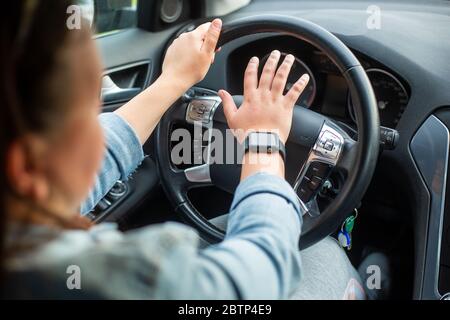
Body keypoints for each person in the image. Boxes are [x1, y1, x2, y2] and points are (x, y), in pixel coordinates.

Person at [1, 1, 365, 299]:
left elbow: (85, 169)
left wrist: (174, 80)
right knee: (322, 254)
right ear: (26, 167)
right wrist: (265, 139)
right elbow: (260, 276)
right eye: (90, 112)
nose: (101, 125)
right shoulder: (124, 275)